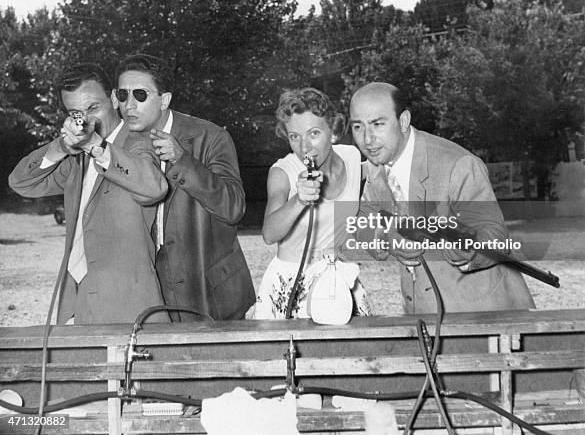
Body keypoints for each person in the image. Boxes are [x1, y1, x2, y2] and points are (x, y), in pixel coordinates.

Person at [349, 81, 535, 314]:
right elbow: (362, 221)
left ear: (403, 121)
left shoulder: (458, 164)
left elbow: (494, 236)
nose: (367, 139)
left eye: (377, 124)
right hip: (422, 314)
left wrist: (459, 244)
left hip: (484, 314)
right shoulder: (377, 167)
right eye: (358, 127)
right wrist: (388, 236)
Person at [9, 63, 169, 325]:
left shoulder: (140, 142)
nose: (86, 119)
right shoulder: (76, 158)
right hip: (76, 303)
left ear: (115, 99)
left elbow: (154, 188)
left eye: (93, 108)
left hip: (129, 305)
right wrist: (61, 147)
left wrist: (96, 145)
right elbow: (21, 183)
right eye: (76, 112)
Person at [114, 54, 254, 321]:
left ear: (164, 99)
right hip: (151, 294)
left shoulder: (211, 137)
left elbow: (234, 207)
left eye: (140, 95)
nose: (128, 105)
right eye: (122, 94)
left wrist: (184, 161)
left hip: (211, 292)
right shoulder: (118, 147)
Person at [252, 87, 371, 319]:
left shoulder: (352, 157)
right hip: (292, 281)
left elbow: (375, 172)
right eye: (295, 137)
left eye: (313, 133)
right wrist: (299, 199)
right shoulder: (282, 173)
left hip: (336, 278)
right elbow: (269, 233)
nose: (304, 147)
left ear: (334, 132)